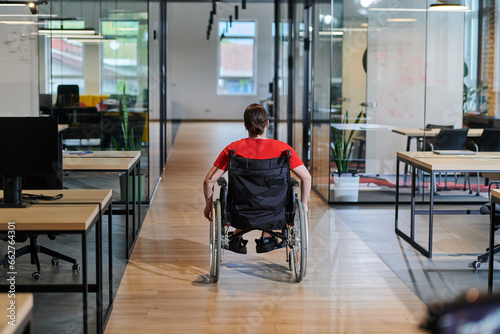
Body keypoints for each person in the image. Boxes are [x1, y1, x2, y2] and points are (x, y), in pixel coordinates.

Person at [203, 103, 311, 254]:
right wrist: (304, 204)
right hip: (275, 212)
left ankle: (237, 236)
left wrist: (208, 205)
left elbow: (209, 181)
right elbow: (306, 177)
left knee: (247, 195)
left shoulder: (233, 150)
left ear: (245, 126)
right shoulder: (283, 150)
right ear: (267, 123)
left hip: (240, 212)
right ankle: (267, 236)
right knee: (270, 193)